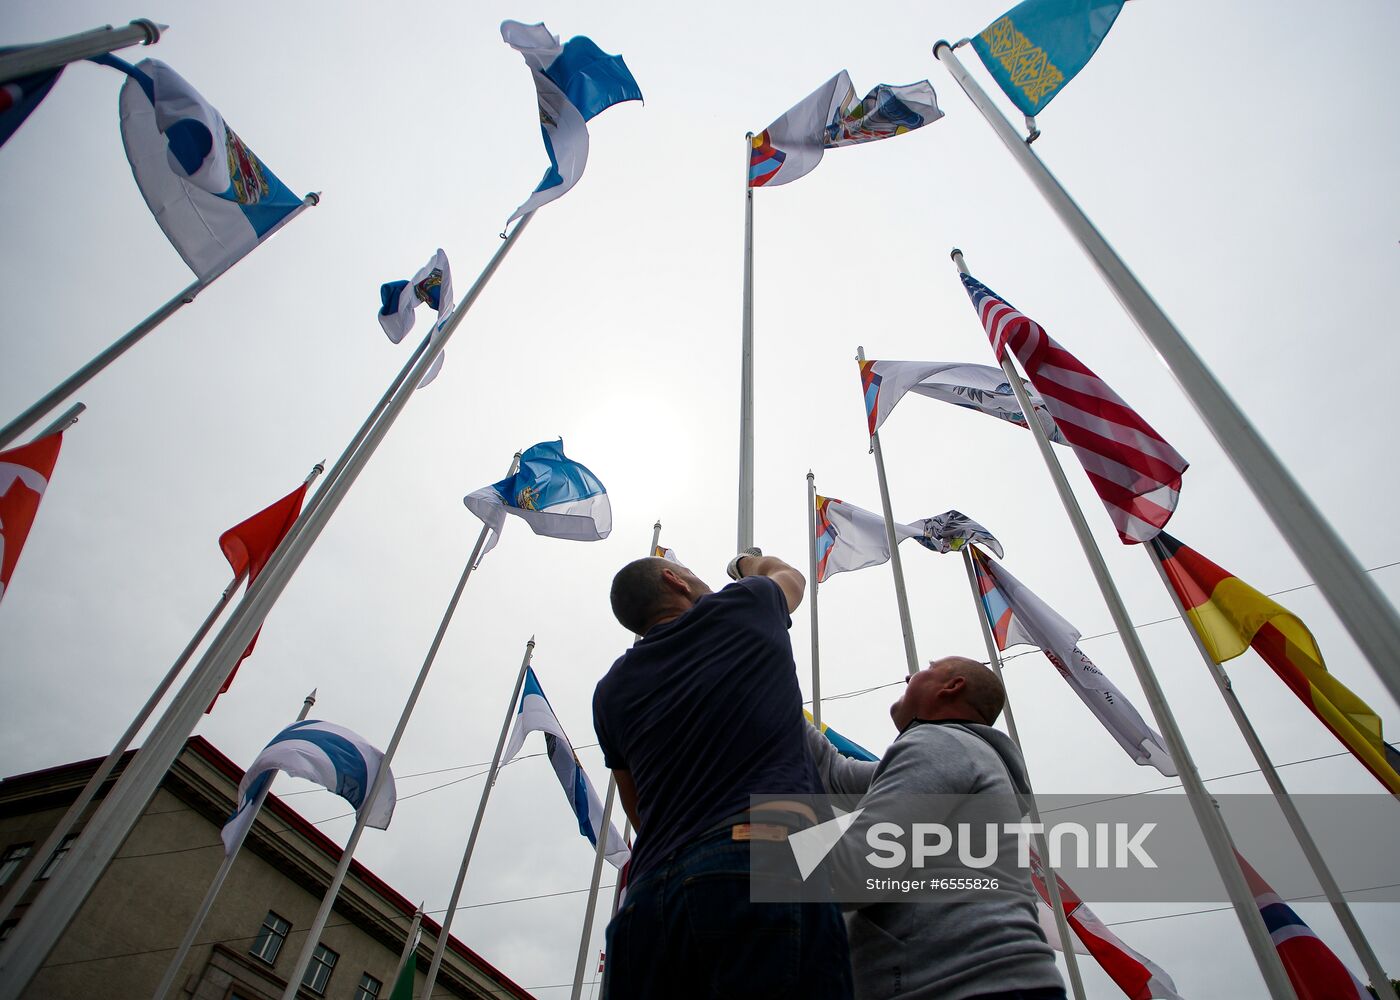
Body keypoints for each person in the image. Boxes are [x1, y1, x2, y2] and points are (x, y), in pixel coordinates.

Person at [594, 549, 854, 999]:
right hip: (762, 855)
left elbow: (635, 805)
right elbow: (787, 576)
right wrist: (742, 566)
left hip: (648, 895)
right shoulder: (744, 605)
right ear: (675, 581)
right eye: (691, 576)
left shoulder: (611, 690)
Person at [805, 656, 1066, 1000]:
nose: (909, 675)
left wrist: (750, 853)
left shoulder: (942, 745)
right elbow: (832, 772)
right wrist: (771, 690)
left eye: (927, 668)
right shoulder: (961, 755)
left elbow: (857, 870)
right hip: (993, 983)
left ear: (952, 686)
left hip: (975, 988)